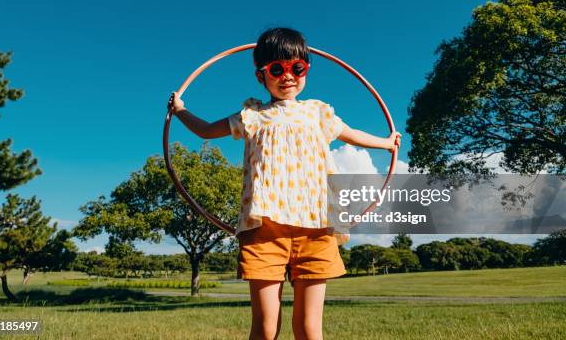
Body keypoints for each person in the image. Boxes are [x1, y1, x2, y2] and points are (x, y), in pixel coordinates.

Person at [171, 27, 401, 340]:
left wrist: (387, 143)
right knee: (265, 329)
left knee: (309, 329)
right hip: (265, 229)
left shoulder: (318, 112)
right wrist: (181, 111)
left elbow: (352, 134)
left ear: (306, 69)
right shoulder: (253, 115)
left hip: (316, 227)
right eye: (276, 69)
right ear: (260, 76)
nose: (288, 76)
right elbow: (207, 131)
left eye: (297, 68)